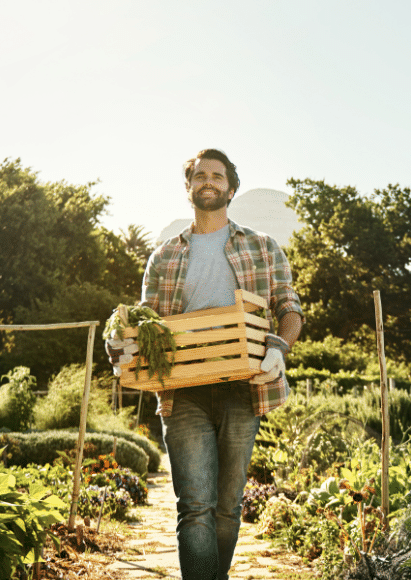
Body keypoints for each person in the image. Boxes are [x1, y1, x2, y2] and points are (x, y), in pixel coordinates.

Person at [106, 148, 303, 580]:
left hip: (243, 386)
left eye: (217, 175)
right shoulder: (164, 256)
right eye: (199, 175)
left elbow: (290, 307)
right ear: (189, 187)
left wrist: (278, 347)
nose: (208, 181)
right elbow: (146, 323)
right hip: (183, 390)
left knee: (227, 508)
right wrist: (121, 346)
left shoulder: (263, 247)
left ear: (232, 188)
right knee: (195, 506)